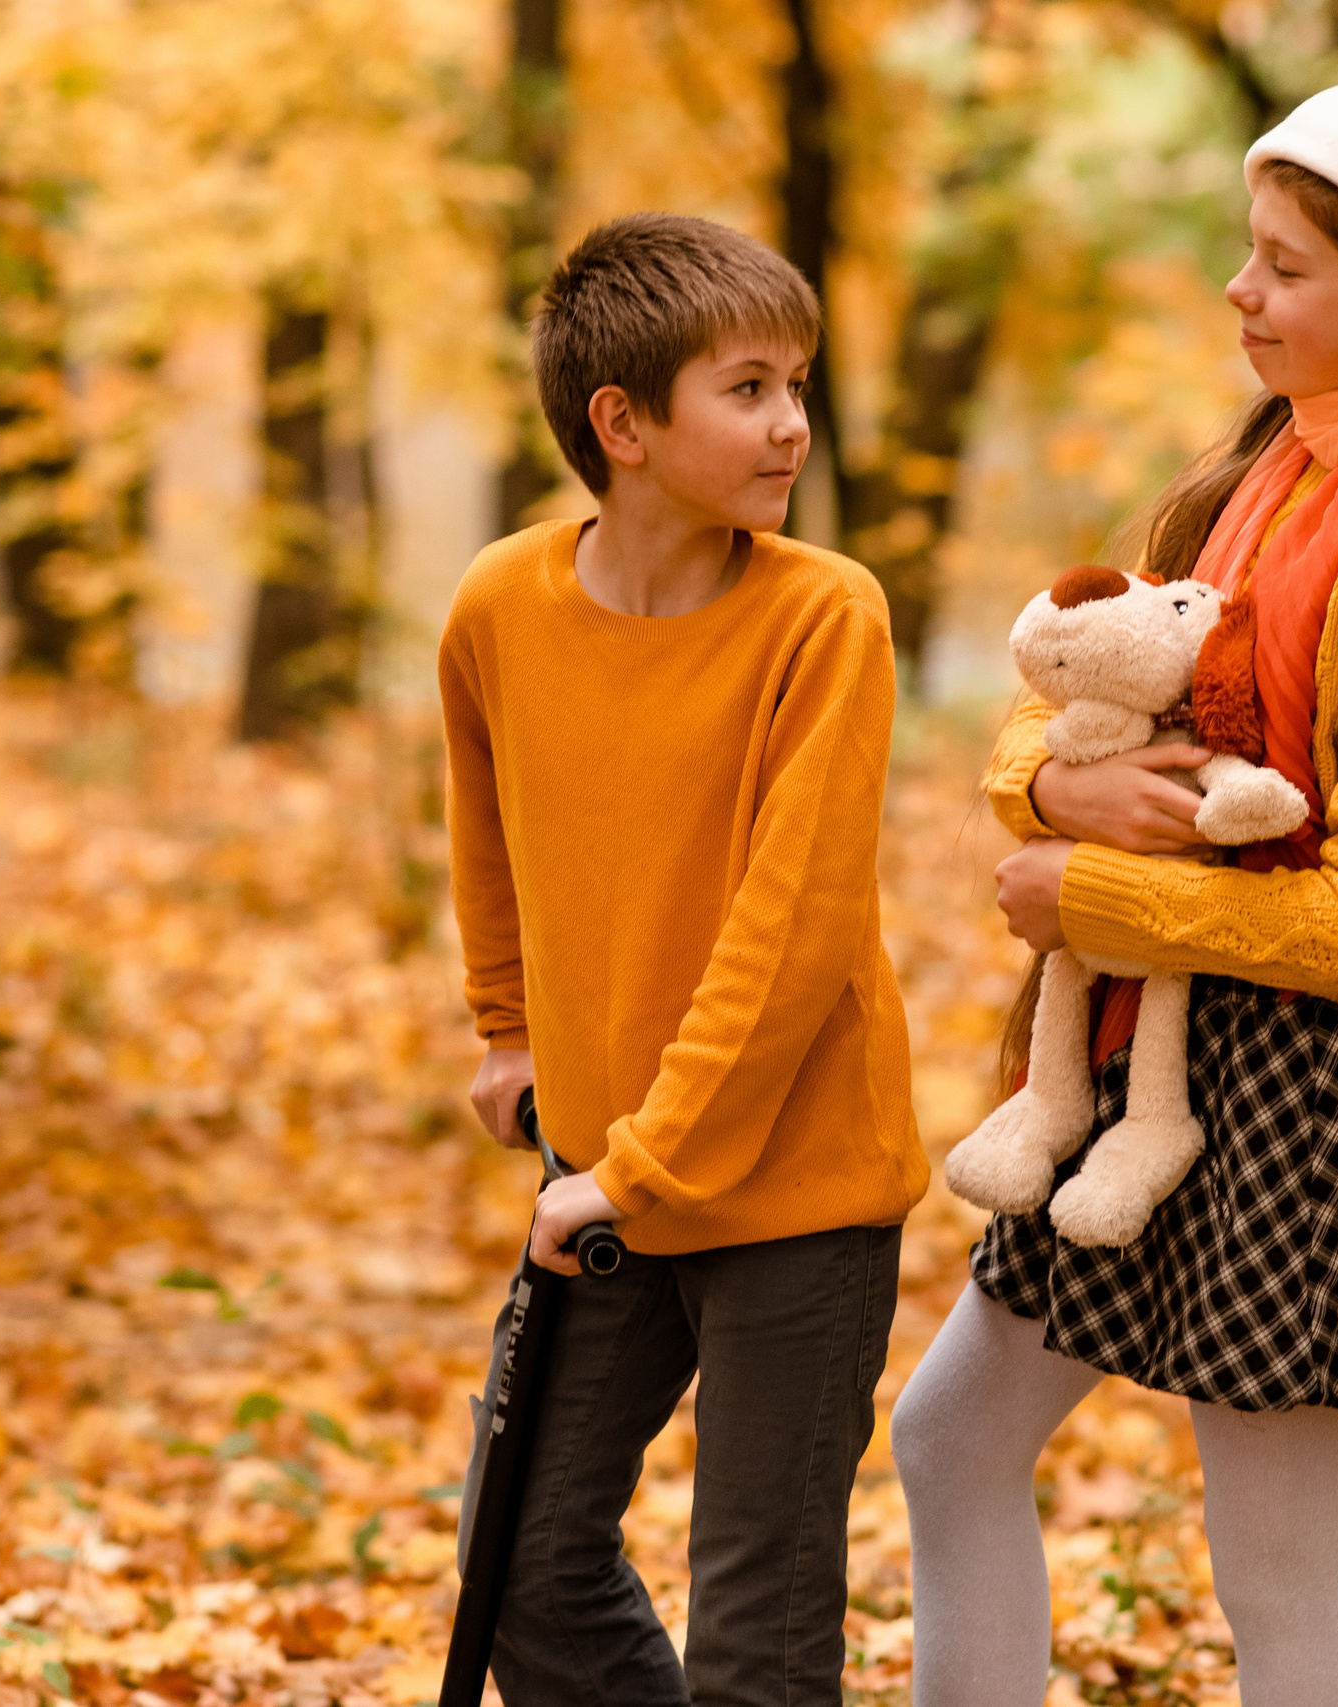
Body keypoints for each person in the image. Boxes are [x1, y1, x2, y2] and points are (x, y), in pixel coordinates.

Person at [891, 81, 1338, 1707]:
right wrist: (1057, 795)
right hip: (1143, 1055)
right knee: (951, 1435)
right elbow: (1077, 673)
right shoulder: (1265, 470)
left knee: (1271, 1551)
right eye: (1246, 257)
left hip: (1308, 1083)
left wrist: (1104, 901)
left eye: (1283, 269)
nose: (1238, 294)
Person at [439, 211, 926, 1707]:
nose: (792, 424)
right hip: (602, 1178)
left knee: (756, 1647)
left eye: (797, 384)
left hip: (791, 1191)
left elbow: (789, 940)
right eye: (749, 388)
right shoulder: (499, 609)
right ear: (622, 424)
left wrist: (637, 1176)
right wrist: (510, 1032)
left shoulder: (822, 617)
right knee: (519, 1565)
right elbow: (492, 835)